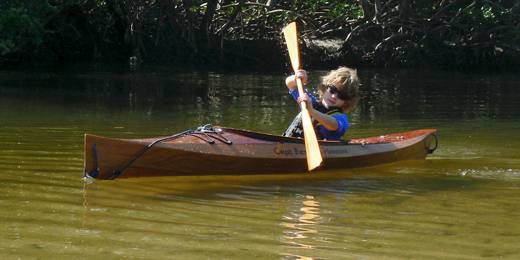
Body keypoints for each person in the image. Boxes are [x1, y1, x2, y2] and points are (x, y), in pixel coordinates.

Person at [283, 66, 360, 140]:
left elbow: (334, 125)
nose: (334, 96)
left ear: (346, 102)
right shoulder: (310, 102)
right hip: (292, 145)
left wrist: (311, 111)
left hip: (327, 150)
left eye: (342, 95)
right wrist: (296, 78)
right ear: (325, 87)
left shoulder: (340, 117)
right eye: (332, 90)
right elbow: (290, 84)